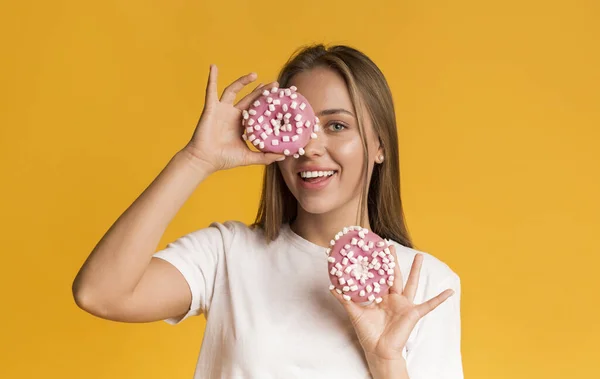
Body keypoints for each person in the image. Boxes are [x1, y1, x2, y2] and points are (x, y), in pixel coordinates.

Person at [72, 44, 463, 379]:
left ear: (380, 145)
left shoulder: (423, 282)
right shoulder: (228, 255)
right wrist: (196, 159)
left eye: (337, 126)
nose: (310, 147)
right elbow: (99, 294)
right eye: (298, 125)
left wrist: (387, 361)